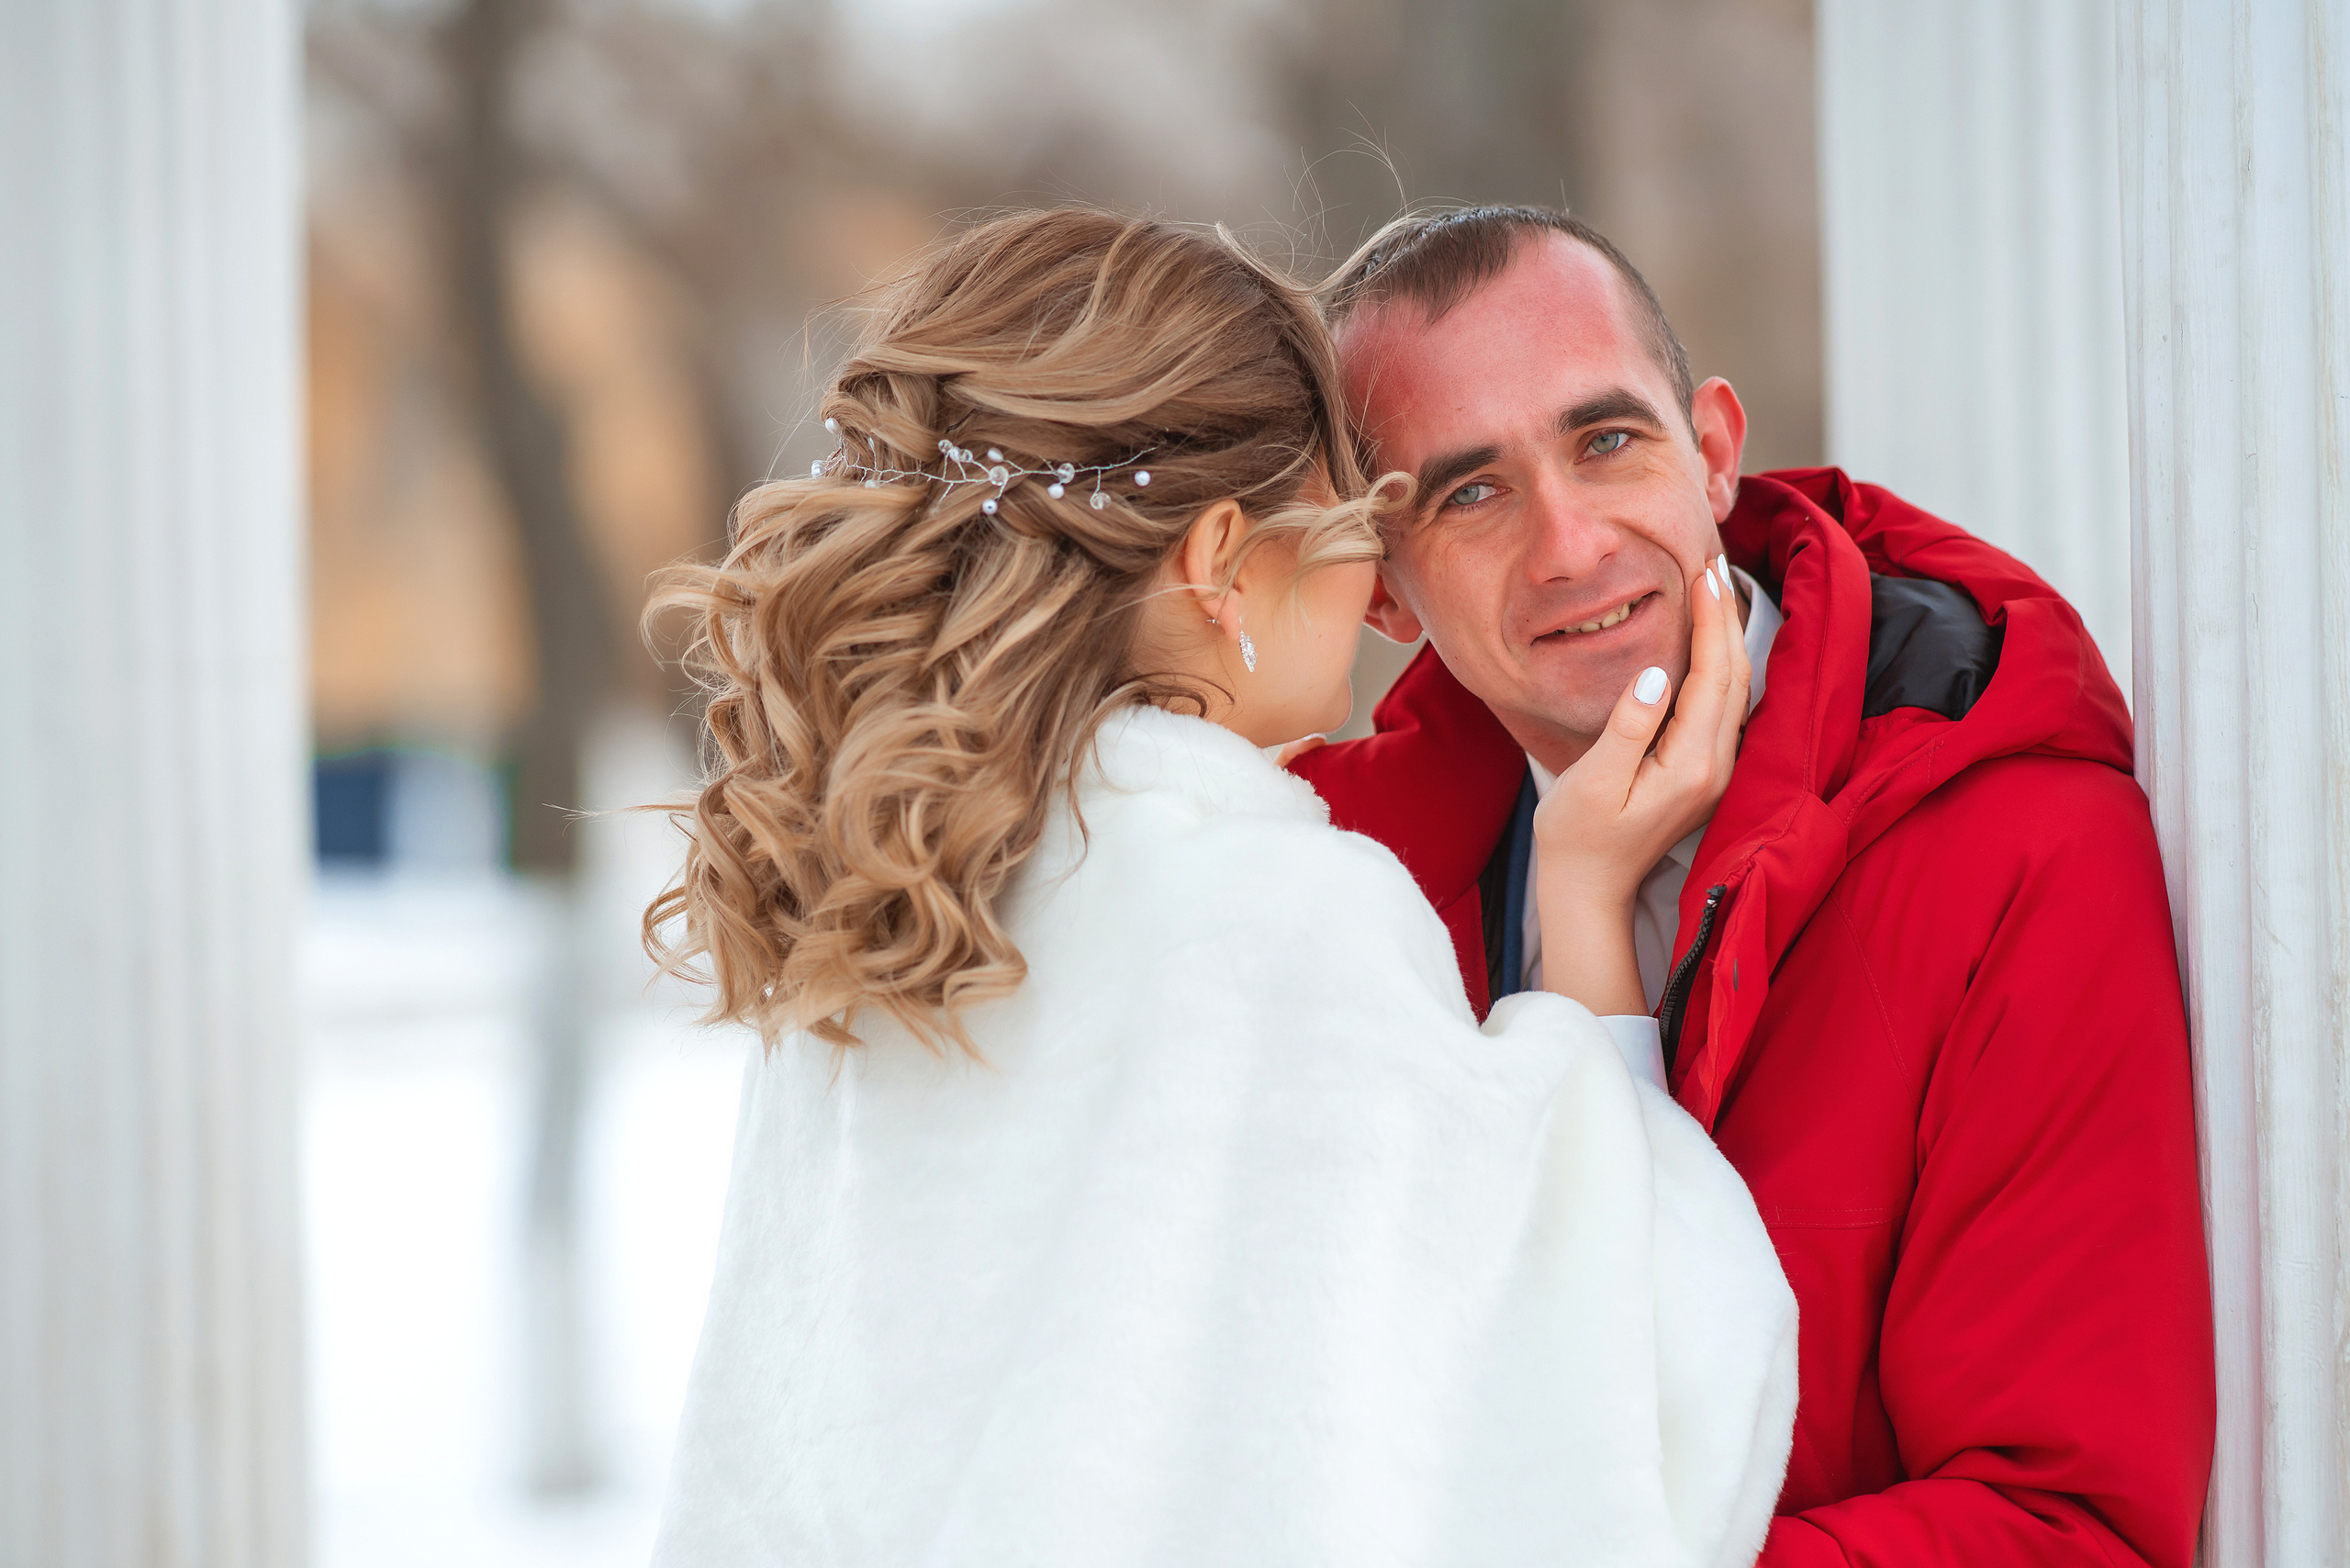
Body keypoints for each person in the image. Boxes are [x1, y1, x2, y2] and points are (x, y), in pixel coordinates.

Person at [644, 207, 1797, 1567]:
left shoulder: (885, 917)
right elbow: (1628, 1430)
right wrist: (1589, 908)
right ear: (1221, 565)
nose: (1376, 578)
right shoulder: (1274, 923)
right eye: (1353, 512)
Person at [1292, 205, 2217, 1567]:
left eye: (1607, 441)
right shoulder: (1347, 915)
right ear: (1381, 589)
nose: (1571, 547)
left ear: (1713, 451)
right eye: (1470, 492)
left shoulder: (2017, 846)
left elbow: (2070, 1528)